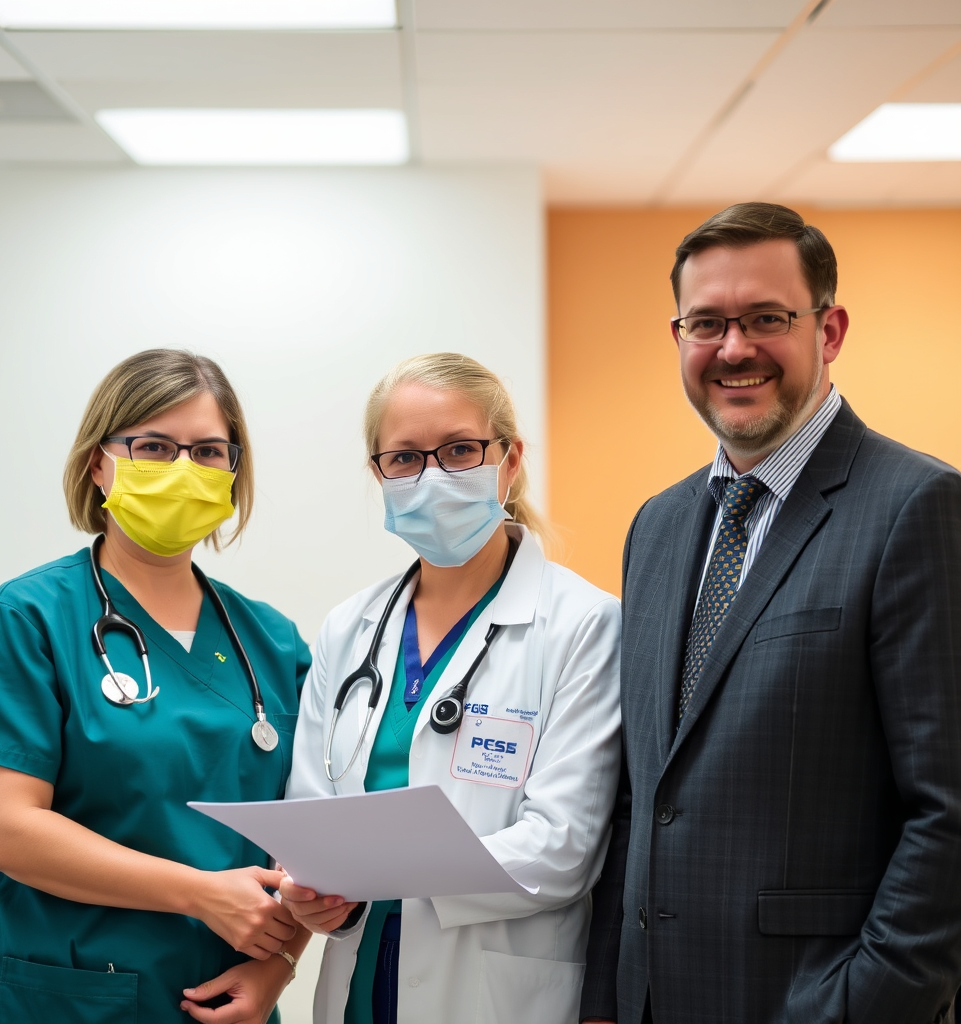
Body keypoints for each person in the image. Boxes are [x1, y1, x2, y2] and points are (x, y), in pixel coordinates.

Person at [580, 203, 961, 1024]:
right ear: (677, 337)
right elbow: (640, 793)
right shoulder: (658, 524)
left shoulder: (917, 508)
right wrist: (607, 997)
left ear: (830, 331)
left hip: (811, 1003)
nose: (734, 348)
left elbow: (948, 811)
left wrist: (867, 1006)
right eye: (707, 323)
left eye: (767, 318)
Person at [0, 349, 312, 1024]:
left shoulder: (273, 643)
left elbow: (317, 836)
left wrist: (278, 965)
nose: (182, 470)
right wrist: (202, 894)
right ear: (98, 464)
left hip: (226, 1000)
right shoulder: (28, 619)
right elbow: (8, 831)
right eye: (154, 447)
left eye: (207, 452)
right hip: (55, 995)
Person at [278, 352, 622, 1024]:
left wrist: (373, 869)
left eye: (460, 450)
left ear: (511, 460)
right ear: (379, 473)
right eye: (404, 458)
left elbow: (561, 848)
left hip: (497, 994)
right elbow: (312, 817)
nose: (431, 477)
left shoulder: (584, 624)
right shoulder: (350, 629)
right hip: (363, 980)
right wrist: (311, 894)